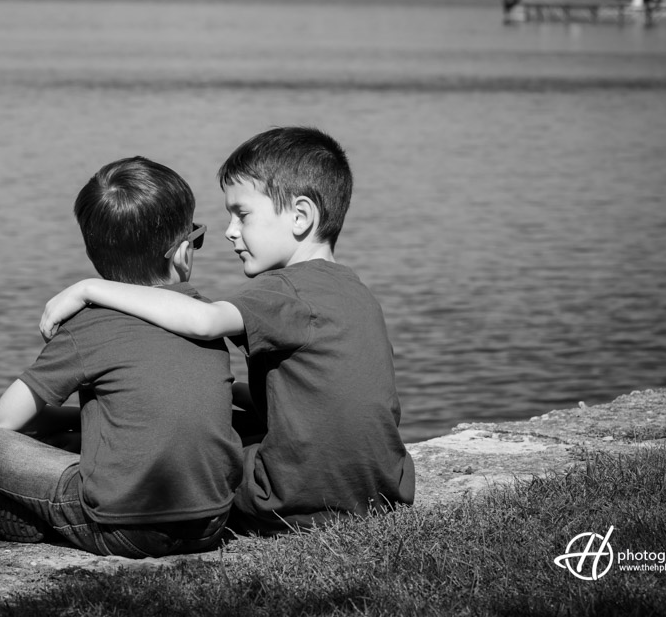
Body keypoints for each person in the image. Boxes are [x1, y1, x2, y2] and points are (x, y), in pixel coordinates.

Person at [41, 126, 415, 535]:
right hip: (378, 493)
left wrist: (91, 288)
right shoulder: (354, 292)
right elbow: (325, 397)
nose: (229, 231)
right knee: (226, 416)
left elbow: (203, 321)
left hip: (293, 501)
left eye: (242, 214)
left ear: (301, 216)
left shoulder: (282, 290)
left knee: (187, 446)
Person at [0, 156, 242, 558]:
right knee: (77, 438)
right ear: (182, 253)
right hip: (210, 522)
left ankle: (33, 518)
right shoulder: (202, 317)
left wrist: (52, 424)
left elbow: (5, 420)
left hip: (121, 528)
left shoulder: (90, 324)